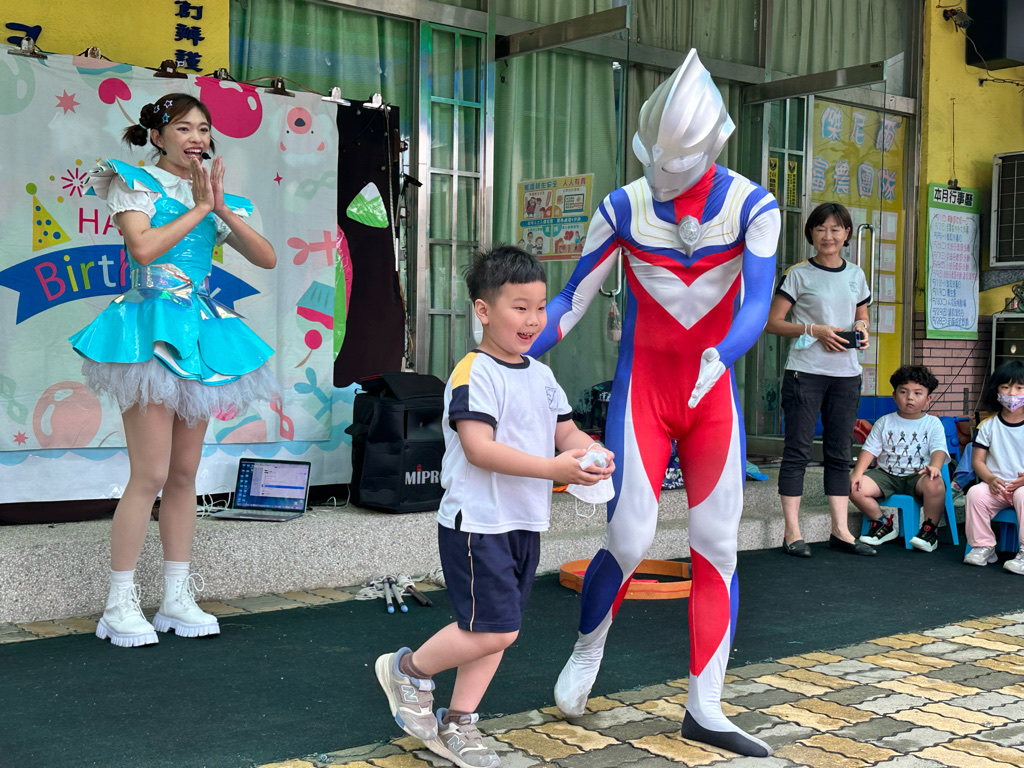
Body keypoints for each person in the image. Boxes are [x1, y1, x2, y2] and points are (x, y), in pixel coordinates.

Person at [528, 50, 780, 758]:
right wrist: (508, 348)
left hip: (711, 395)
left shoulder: (753, 206)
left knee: (717, 546)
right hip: (644, 390)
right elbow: (572, 299)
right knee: (630, 538)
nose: (665, 174)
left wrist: (723, 354)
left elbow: (757, 303)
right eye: (656, 160)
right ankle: (588, 646)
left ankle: (706, 705)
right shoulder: (622, 206)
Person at [374, 245, 614, 768]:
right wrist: (554, 469)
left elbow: (567, 433)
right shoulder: (473, 373)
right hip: (476, 523)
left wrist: (592, 453)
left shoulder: (542, 376)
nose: (533, 320)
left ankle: (459, 723)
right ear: (483, 310)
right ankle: (409, 671)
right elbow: (479, 449)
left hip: (523, 521)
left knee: (492, 632)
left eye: (540, 307)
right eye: (519, 307)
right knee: (497, 628)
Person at [69, 93, 278, 647]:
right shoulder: (134, 182)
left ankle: (176, 597)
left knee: (186, 473)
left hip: (199, 330)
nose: (196, 138)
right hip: (148, 327)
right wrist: (200, 209)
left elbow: (266, 257)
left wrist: (220, 208)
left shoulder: (214, 196)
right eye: (183, 128)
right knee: (151, 474)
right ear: (157, 136)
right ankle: (119, 602)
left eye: (203, 129)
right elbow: (142, 250)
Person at [765, 201, 872, 557]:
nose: (828, 235)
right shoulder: (798, 274)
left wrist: (861, 327)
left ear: (847, 234)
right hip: (805, 373)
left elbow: (861, 314)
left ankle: (840, 531)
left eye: (835, 229)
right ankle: (792, 532)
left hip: (846, 375)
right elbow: (773, 323)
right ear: (810, 233)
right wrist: (813, 329)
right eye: (821, 228)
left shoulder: (856, 274)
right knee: (797, 450)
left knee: (839, 453)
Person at [850, 365, 950, 551]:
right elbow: (869, 449)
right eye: (903, 392)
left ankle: (929, 530)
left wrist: (935, 466)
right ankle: (882, 523)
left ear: (928, 399)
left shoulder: (932, 423)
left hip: (918, 476)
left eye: (917, 393)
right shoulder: (885, 421)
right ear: (894, 395)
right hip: (886, 475)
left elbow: (939, 449)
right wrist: (857, 472)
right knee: (853, 485)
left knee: (935, 482)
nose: (910, 397)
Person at [963, 360, 1024, 574]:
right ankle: (983, 546)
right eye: (1005, 387)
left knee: (1023, 494)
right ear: (996, 390)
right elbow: (977, 462)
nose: (1012, 393)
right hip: (997, 487)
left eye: (1019, 387)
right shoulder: (988, 425)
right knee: (975, 493)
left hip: (1022, 489)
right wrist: (989, 479)